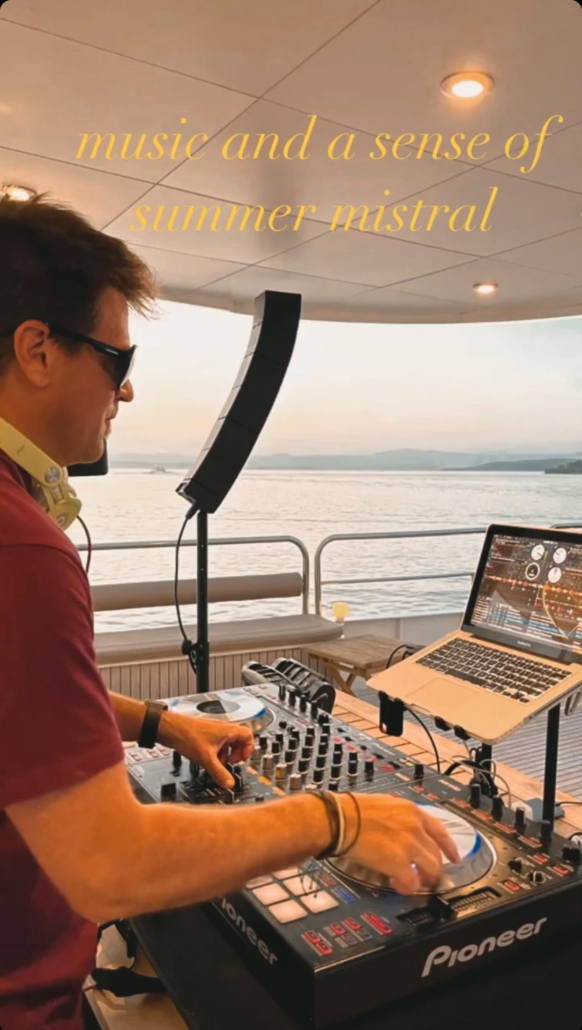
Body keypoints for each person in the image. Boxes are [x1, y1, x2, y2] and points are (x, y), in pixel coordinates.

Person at [0, 195, 459, 1030]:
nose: (126, 388)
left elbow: (25, 711)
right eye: (115, 357)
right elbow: (110, 867)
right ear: (37, 350)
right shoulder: (20, 547)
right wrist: (338, 816)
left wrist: (162, 725)